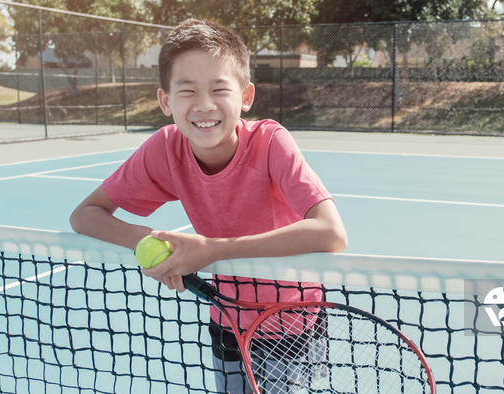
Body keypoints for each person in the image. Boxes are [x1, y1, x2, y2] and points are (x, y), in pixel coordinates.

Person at [69, 17, 347, 393]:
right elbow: (85, 215)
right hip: (227, 315)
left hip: (290, 318)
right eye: (187, 91)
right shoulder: (165, 149)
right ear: (165, 101)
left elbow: (331, 233)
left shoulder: (270, 143)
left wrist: (213, 251)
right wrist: (158, 245)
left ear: (245, 97)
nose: (204, 105)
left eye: (219, 89)